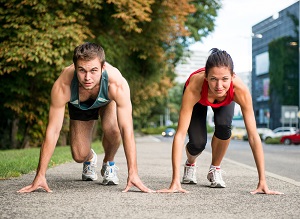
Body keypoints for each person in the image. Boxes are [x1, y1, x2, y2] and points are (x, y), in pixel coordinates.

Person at [18, 42, 153, 193]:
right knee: (79, 155)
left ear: (103, 68)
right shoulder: (64, 84)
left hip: (106, 100)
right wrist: (40, 175)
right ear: (75, 68)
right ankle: (89, 158)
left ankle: (109, 162)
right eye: (82, 70)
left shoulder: (116, 83)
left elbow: (127, 129)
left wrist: (133, 173)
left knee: (113, 130)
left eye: (94, 70)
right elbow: (53, 130)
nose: (88, 77)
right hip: (80, 103)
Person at [158, 48, 283, 194]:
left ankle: (214, 168)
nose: (219, 86)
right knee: (197, 144)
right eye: (213, 79)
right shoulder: (194, 87)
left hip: (226, 100)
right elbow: (179, 134)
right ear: (206, 76)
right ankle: (190, 164)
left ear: (232, 76)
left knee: (224, 128)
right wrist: (175, 182)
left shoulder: (240, 90)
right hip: (199, 100)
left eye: (224, 79)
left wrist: (263, 181)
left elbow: (254, 136)